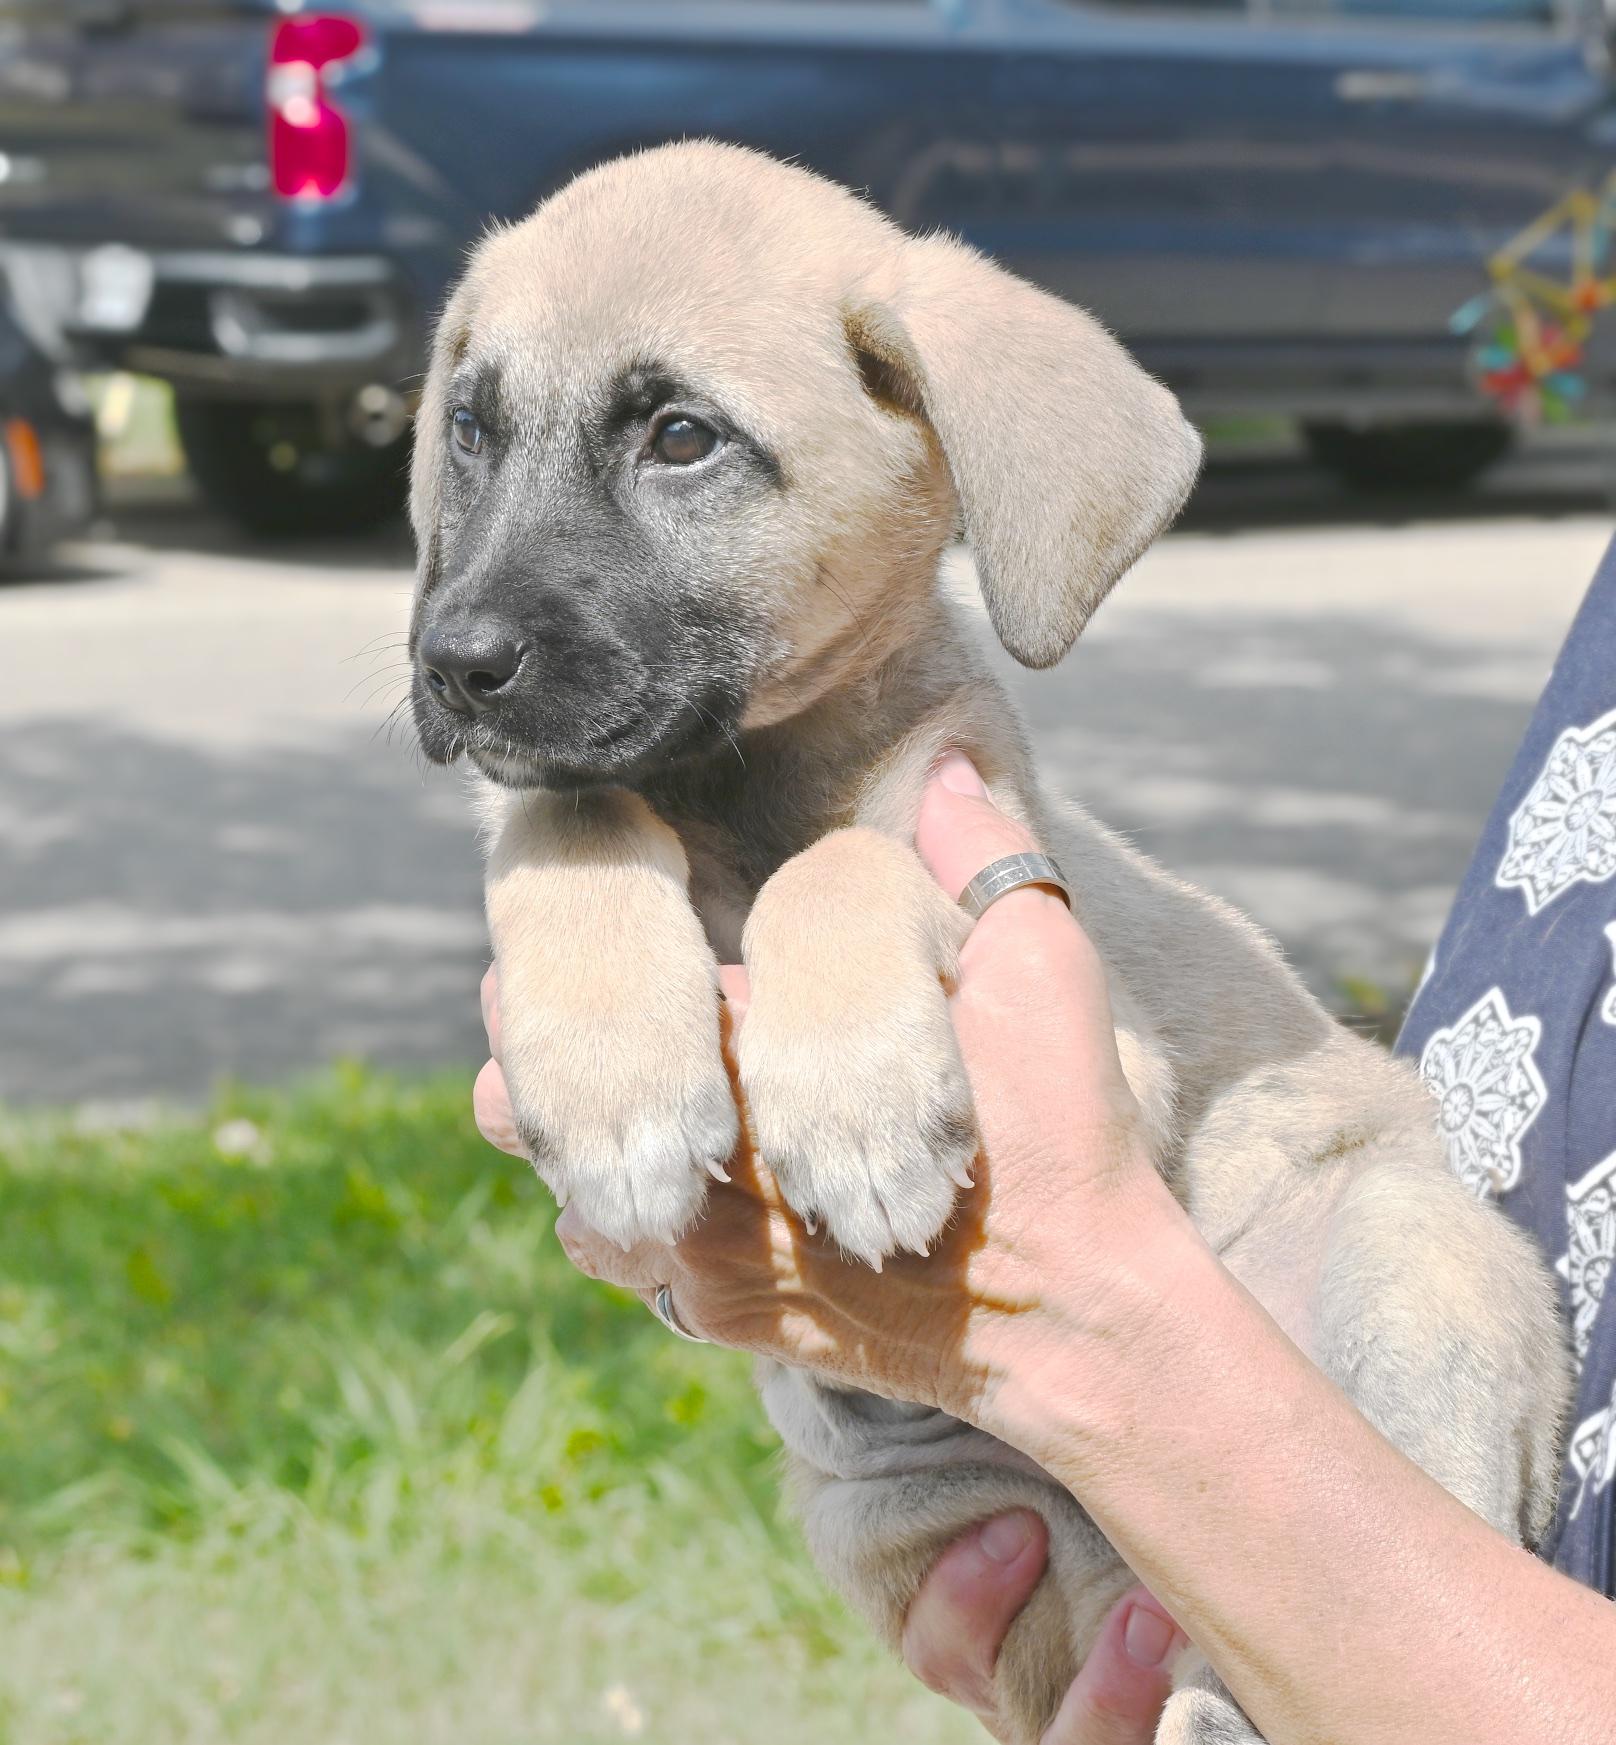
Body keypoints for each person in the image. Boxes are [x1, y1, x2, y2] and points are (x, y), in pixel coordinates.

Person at [473, 548, 1616, 1743]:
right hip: (1009, 1516)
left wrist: (1087, 1339)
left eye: (682, 444)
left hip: (1381, 1448)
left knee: (1411, 1242)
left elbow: (1093, 1113)